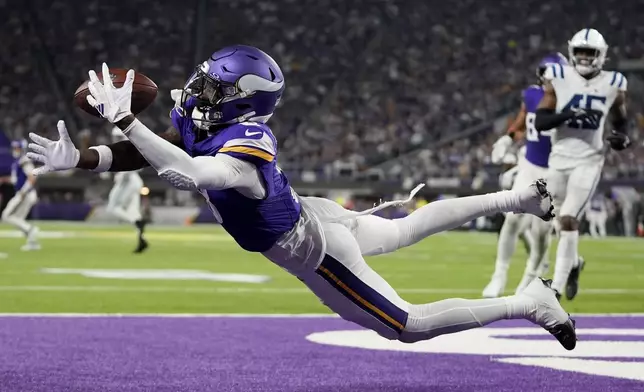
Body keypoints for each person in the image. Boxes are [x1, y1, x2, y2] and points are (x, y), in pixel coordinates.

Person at [27, 46, 576, 350]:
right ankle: (519, 197)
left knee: (405, 325)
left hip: (313, 247)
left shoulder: (247, 145)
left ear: (243, 101)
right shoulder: (207, 121)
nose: (199, 93)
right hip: (311, 214)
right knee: (405, 229)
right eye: (204, 80)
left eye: (215, 89)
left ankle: (528, 300)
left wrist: (124, 119)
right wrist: (82, 159)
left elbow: (192, 174)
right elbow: (153, 152)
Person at [534, 28, 630, 300]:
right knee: (555, 220)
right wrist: (569, 114)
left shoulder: (614, 82)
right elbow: (541, 122)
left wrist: (621, 138)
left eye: (591, 52)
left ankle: (555, 289)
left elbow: (620, 119)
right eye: (581, 52)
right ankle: (574, 262)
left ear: (602, 55)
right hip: (559, 158)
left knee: (568, 219)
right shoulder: (559, 77)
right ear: (571, 53)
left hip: (589, 159)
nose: (585, 57)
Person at [483, 54, 567, 298]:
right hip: (529, 165)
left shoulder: (568, 99)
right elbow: (523, 121)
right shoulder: (531, 94)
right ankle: (499, 275)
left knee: (542, 232)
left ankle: (530, 276)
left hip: (554, 170)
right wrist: (508, 137)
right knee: (511, 219)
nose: (549, 79)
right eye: (546, 73)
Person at [104, 126, 148, 253]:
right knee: (133, 211)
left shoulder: (127, 148)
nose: (116, 139)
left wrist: (121, 176)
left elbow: (131, 167)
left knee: (113, 207)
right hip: (134, 181)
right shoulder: (132, 146)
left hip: (128, 180)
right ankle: (141, 239)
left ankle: (137, 222)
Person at [2, 140, 40, 251]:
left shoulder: (24, 160)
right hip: (24, 193)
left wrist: (24, 191)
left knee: (6, 215)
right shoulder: (18, 161)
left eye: (17, 148)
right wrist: (4, 180)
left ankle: (31, 229)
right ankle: (32, 242)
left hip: (25, 193)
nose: (15, 150)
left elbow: (32, 177)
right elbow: (15, 180)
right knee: (19, 219)